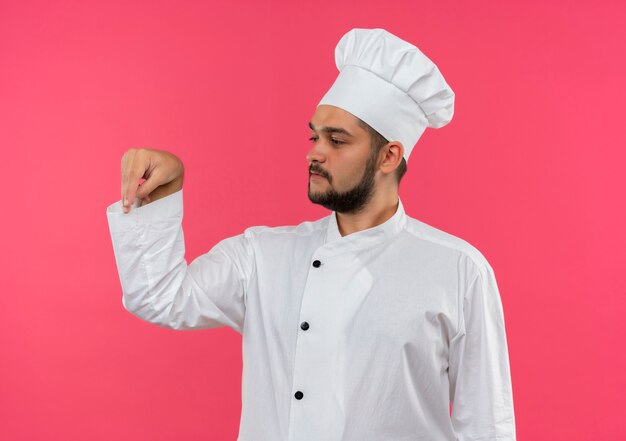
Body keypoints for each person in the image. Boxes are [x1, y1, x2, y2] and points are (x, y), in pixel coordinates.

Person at [107, 28, 516, 441]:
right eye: (314, 136)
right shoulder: (262, 256)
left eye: (336, 140)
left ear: (389, 155)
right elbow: (158, 296)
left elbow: (487, 425)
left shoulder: (458, 269)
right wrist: (160, 193)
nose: (314, 152)